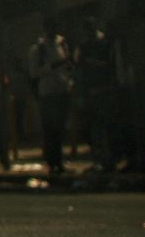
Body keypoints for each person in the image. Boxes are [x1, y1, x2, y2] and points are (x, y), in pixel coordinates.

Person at [26, 18, 74, 175]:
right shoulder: (38, 49)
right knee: (50, 129)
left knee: (60, 128)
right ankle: (52, 161)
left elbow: (68, 65)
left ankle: (58, 161)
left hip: (63, 89)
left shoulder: (62, 44)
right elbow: (33, 72)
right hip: (48, 92)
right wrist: (50, 66)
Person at [74, 18, 119, 172]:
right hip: (93, 91)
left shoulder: (103, 43)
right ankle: (101, 158)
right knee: (96, 127)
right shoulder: (85, 45)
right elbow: (79, 66)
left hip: (101, 89)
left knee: (103, 126)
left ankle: (107, 158)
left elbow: (109, 65)